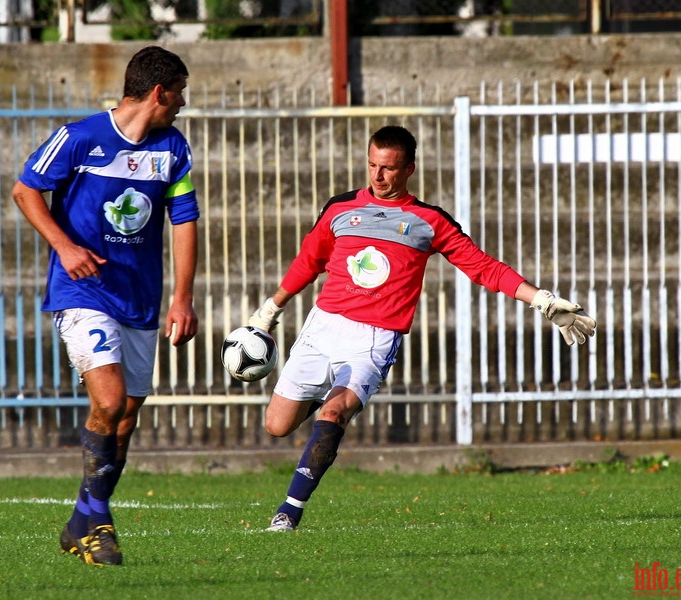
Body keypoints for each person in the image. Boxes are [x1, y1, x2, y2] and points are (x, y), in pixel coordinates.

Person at [247, 125, 596, 531]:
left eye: (389, 169)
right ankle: (324, 398)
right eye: (372, 165)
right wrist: (269, 311)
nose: (378, 176)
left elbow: (483, 268)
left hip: (373, 338)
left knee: (336, 411)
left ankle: (288, 513)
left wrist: (542, 300)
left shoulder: (429, 221)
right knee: (277, 425)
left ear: (409, 169)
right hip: (322, 327)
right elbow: (308, 261)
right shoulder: (340, 208)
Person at [12, 46, 199, 565]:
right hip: (83, 293)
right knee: (111, 400)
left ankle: (81, 520)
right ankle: (100, 523)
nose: (183, 102)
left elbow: (184, 221)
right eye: (179, 92)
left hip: (139, 297)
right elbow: (25, 190)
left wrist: (182, 297)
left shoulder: (174, 149)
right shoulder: (79, 137)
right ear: (160, 91)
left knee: (124, 418)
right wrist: (65, 248)